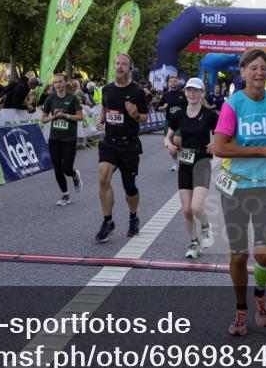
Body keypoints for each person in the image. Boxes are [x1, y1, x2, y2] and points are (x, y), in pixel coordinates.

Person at [212, 49, 266, 336]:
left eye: (263, 68)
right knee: (238, 256)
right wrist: (262, 150)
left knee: (264, 256)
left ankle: (259, 294)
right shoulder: (233, 104)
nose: (259, 73)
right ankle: (241, 310)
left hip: (264, 187)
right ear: (243, 72)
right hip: (234, 186)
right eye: (253, 68)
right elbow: (221, 147)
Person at [95, 53, 149, 243]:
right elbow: (105, 107)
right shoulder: (107, 89)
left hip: (129, 145)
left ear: (129, 68)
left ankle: (133, 216)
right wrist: (101, 119)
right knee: (103, 178)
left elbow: (144, 117)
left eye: (123, 64)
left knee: (129, 187)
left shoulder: (137, 92)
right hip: (110, 143)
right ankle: (108, 222)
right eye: (117, 63)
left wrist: (135, 114)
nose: (119, 67)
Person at [163, 77, 218, 259]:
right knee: (186, 210)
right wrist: (169, 144)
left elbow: (222, 134)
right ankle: (194, 243)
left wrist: (215, 142)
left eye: (196, 91)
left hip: (202, 161)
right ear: (185, 92)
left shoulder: (209, 115)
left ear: (202, 93)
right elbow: (168, 137)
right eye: (189, 90)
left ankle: (205, 226)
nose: (192, 94)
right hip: (185, 163)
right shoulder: (179, 115)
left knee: (196, 207)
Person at [41, 73, 84, 206]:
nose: (58, 85)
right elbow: (43, 119)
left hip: (69, 138)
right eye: (55, 83)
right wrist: (53, 117)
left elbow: (80, 117)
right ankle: (65, 195)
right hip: (54, 138)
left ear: (65, 83)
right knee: (57, 168)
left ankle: (74, 174)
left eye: (60, 82)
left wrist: (65, 115)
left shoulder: (72, 99)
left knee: (66, 168)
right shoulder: (50, 99)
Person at [159, 76, 187, 172]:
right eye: (171, 81)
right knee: (170, 145)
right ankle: (175, 162)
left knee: (177, 140)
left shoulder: (183, 94)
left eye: (175, 81)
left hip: (180, 122)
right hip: (169, 121)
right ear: (169, 83)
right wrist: (163, 107)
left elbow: (189, 106)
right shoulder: (166, 95)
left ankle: (183, 156)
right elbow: (158, 108)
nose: (173, 83)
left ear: (178, 82)